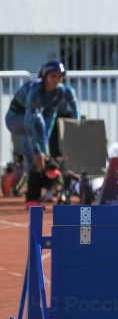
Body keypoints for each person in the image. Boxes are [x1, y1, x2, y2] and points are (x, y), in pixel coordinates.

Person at [4, 60, 80, 209]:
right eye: (53, 76)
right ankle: (32, 194)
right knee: (35, 140)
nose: (56, 80)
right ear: (45, 76)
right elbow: (29, 122)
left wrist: (44, 149)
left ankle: (38, 192)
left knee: (42, 137)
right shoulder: (35, 90)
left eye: (60, 76)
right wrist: (38, 151)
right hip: (15, 118)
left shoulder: (61, 91)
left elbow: (50, 119)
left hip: (34, 119)